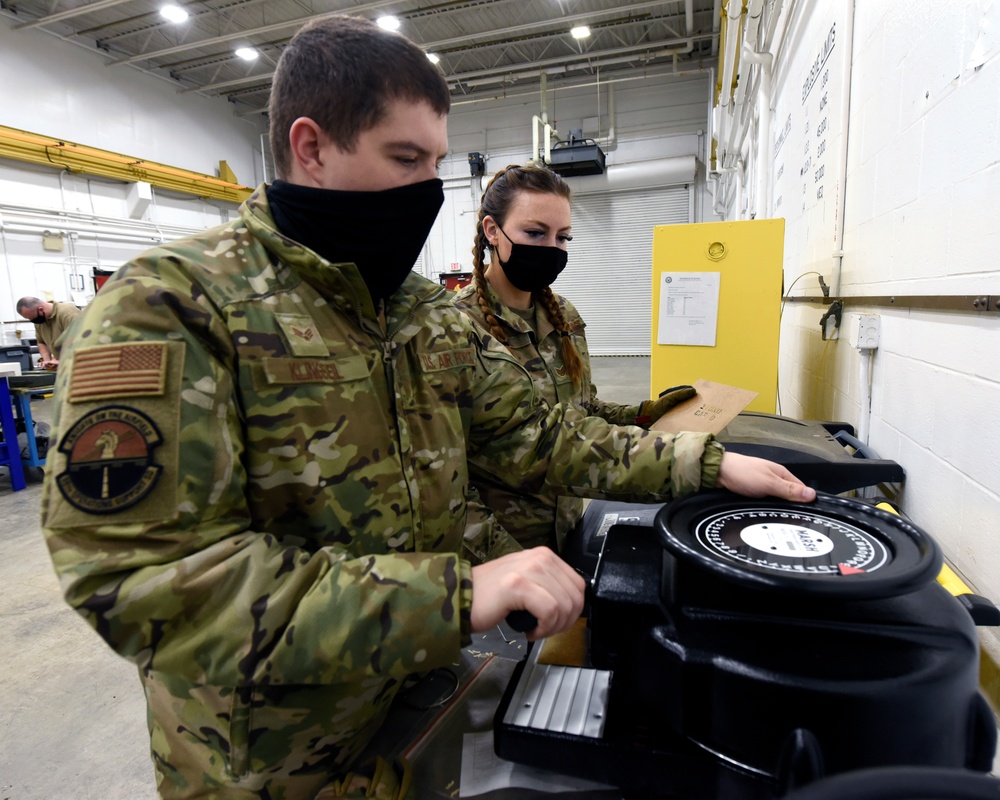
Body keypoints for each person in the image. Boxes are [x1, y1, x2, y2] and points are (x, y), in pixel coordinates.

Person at [41, 15, 814, 800]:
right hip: (272, 761)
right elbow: (147, 582)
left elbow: (541, 437)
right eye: (404, 158)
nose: (426, 189)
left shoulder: (419, 312)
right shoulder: (174, 306)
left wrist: (709, 463)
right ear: (310, 147)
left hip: (413, 705)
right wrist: (456, 596)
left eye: (435, 162)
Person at [454, 163, 694, 552]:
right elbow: (445, 478)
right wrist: (506, 561)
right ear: (492, 231)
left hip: (568, 528)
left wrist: (643, 414)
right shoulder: (455, 327)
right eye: (534, 232)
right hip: (502, 554)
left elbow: (581, 410)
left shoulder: (561, 314)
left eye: (563, 237)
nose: (551, 248)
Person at [15, 296, 82, 368]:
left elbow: (82, 340)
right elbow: (41, 342)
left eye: (33, 318)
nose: (32, 321)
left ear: (41, 309)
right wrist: (47, 360)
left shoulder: (68, 314)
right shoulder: (40, 320)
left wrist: (63, 361)